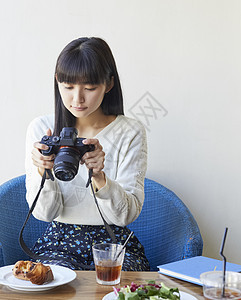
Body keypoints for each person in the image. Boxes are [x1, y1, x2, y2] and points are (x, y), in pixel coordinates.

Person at [25, 37, 149, 271]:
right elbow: (45, 213)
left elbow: (125, 217)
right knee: (53, 282)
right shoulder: (42, 129)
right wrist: (45, 172)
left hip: (113, 242)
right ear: (57, 82)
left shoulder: (130, 132)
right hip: (58, 243)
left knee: (115, 286)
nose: (77, 99)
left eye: (90, 88)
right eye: (68, 87)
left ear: (109, 85)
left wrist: (100, 178)